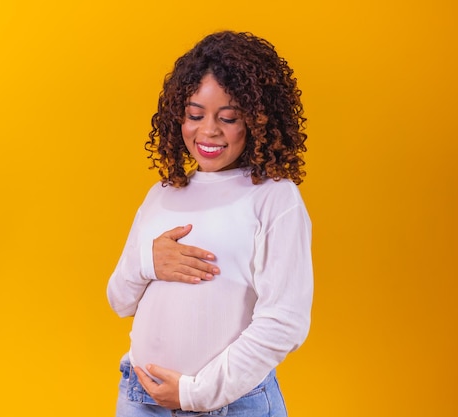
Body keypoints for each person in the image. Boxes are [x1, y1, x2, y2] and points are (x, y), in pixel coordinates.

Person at [107, 30, 313, 416]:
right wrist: (147, 261)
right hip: (141, 400)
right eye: (195, 114)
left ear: (257, 119)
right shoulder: (163, 194)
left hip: (231, 405)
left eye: (229, 117)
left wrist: (196, 393)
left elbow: (285, 322)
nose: (208, 131)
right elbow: (119, 300)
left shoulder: (274, 197)